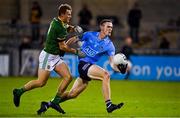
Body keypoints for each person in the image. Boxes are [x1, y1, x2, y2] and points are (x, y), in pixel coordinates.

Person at [37, 19, 127, 115]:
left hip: (88, 68)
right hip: (83, 64)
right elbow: (74, 39)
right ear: (101, 27)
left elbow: (112, 63)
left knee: (73, 94)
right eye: (108, 26)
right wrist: (64, 48)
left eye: (111, 27)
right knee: (105, 75)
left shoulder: (110, 45)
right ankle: (109, 104)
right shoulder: (90, 34)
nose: (110, 29)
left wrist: (120, 70)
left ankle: (48, 104)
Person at [13, 4, 85, 114]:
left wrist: (74, 28)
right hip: (48, 56)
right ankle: (18, 92)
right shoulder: (58, 26)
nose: (70, 16)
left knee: (68, 77)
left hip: (55, 56)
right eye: (69, 14)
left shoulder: (58, 21)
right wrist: (76, 52)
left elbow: (66, 27)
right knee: (41, 82)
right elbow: (63, 47)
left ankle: (55, 102)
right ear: (62, 14)